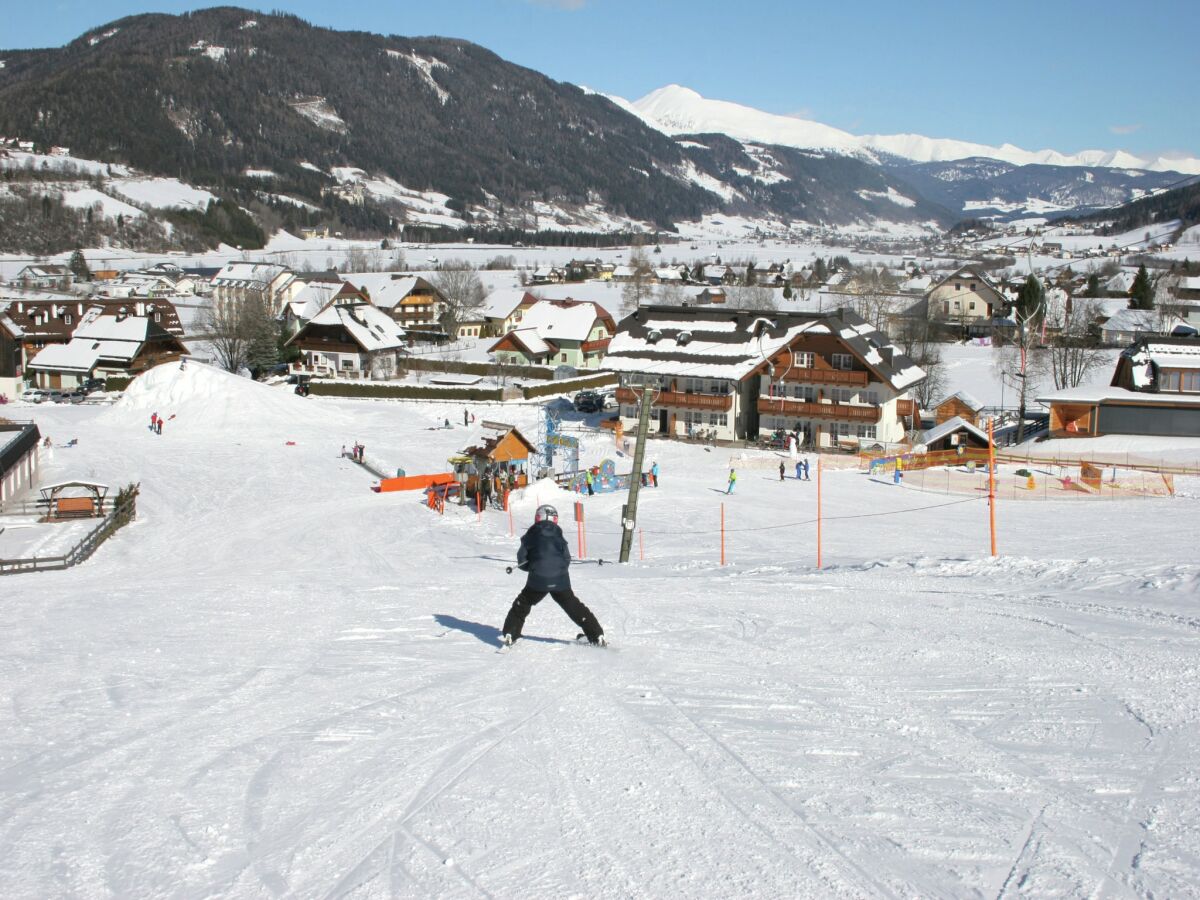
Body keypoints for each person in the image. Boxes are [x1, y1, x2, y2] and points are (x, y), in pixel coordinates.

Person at [502, 504, 605, 647]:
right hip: (560, 580)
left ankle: (511, 633)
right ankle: (596, 635)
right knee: (573, 605)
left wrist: (532, 567)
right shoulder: (559, 536)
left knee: (523, 603)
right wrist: (558, 570)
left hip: (537, 580)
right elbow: (566, 558)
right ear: (555, 520)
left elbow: (522, 559)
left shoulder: (530, 536)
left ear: (537, 518)